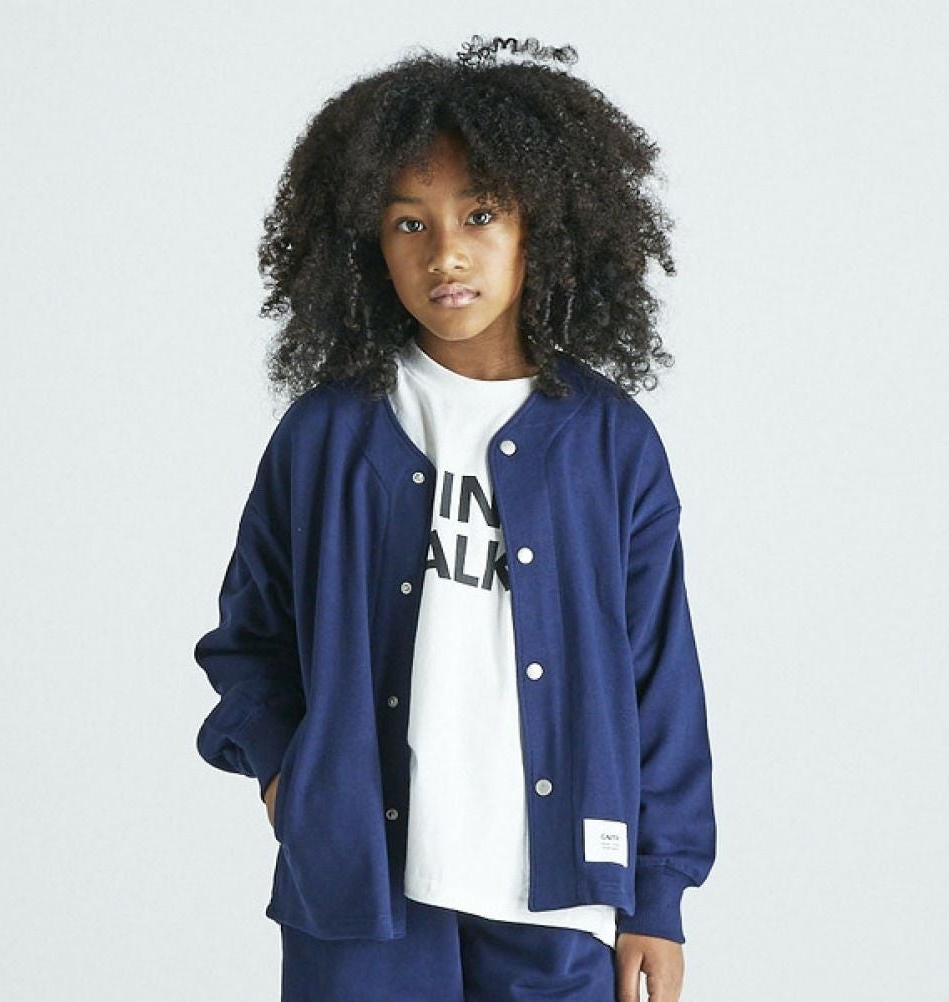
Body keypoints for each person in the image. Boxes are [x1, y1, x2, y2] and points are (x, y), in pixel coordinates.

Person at [193, 33, 716, 1002]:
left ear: (537, 224)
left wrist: (658, 896)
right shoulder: (327, 437)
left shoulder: (612, 445)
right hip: (363, 899)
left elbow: (661, 678)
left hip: (559, 902)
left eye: (480, 214)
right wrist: (289, 782)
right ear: (368, 243)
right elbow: (247, 639)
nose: (446, 253)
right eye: (409, 223)